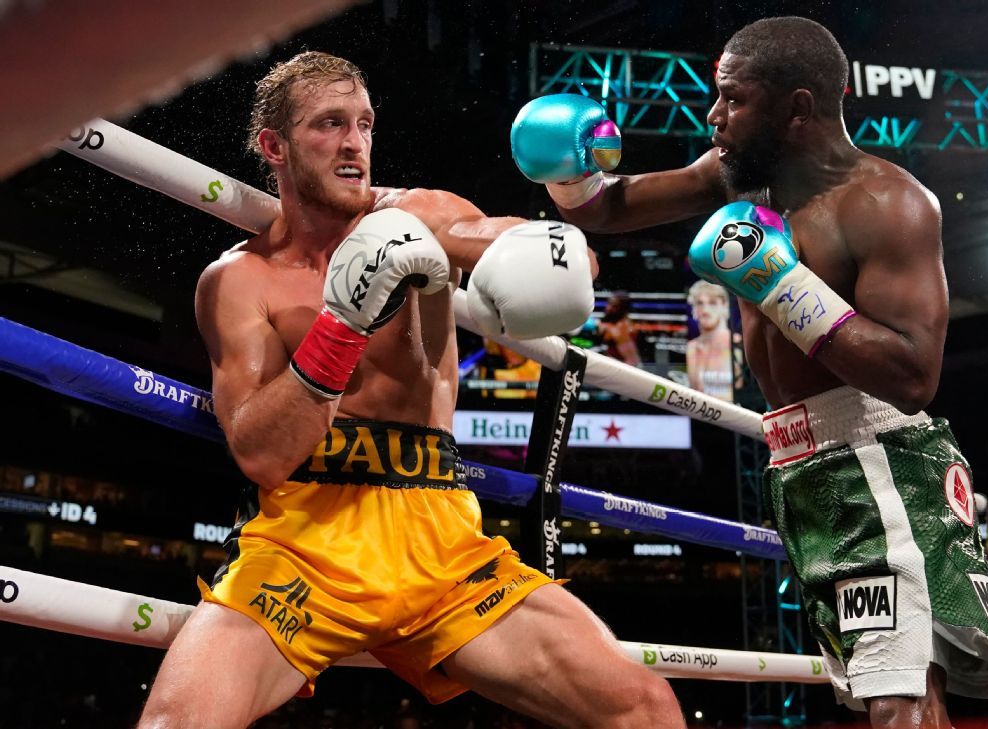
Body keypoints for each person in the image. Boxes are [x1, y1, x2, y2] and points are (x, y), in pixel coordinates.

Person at [137, 51, 682, 729]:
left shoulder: (417, 216)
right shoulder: (238, 280)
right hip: (304, 548)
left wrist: (554, 248)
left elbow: (532, 248)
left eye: (364, 124)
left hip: (443, 545)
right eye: (329, 124)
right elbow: (261, 454)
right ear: (274, 147)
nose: (354, 143)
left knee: (644, 707)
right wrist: (342, 324)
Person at [511, 16, 988, 728]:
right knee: (893, 685)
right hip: (801, 465)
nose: (713, 116)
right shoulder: (738, 178)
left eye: (734, 99)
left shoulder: (888, 204)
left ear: (797, 109)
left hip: (879, 459)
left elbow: (912, 376)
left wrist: (782, 284)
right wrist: (572, 173)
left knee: (896, 692)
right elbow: (612, 207)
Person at [685, 280, 740, 401]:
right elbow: (695, 392)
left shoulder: (738, 343)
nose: (705, 309)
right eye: (700, 303)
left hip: (734, 411)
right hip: (701, 411)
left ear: (724, 306)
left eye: (712, 303)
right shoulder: (692, 347)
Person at [596, 291, 643, 366]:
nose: (608, 308)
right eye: (609, 304)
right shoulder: (616, 325)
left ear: (622, 309)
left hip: (628, 369)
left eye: (614, 306)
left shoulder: (622, 329)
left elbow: (632, 360)